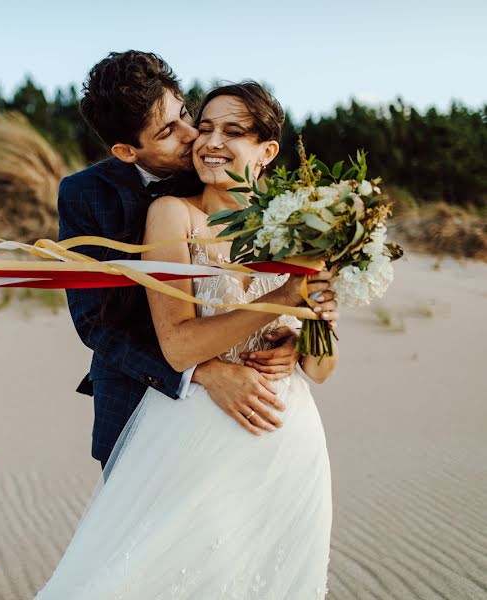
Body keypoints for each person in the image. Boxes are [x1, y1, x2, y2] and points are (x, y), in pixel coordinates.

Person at [37, 80, 339, 598]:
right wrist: (279, 304)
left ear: (267, 151)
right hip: (185, 426)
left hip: (289, 437)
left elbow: (322, 368)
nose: (201, 139)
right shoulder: (165, 212)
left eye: (225, 129)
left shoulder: (302, 222)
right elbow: (110, 327)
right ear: (127, 149)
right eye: (203, 127)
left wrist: (305, 338)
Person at [58, 51, 304, 471]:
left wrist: (295, 344)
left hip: (259, 411)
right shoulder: (86, 194)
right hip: (141, 399)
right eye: (170, 131)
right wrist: (202, 372)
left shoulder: (219, 169)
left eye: (187, 114)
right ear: (126, 150)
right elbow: (95, 324)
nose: (195, 136)